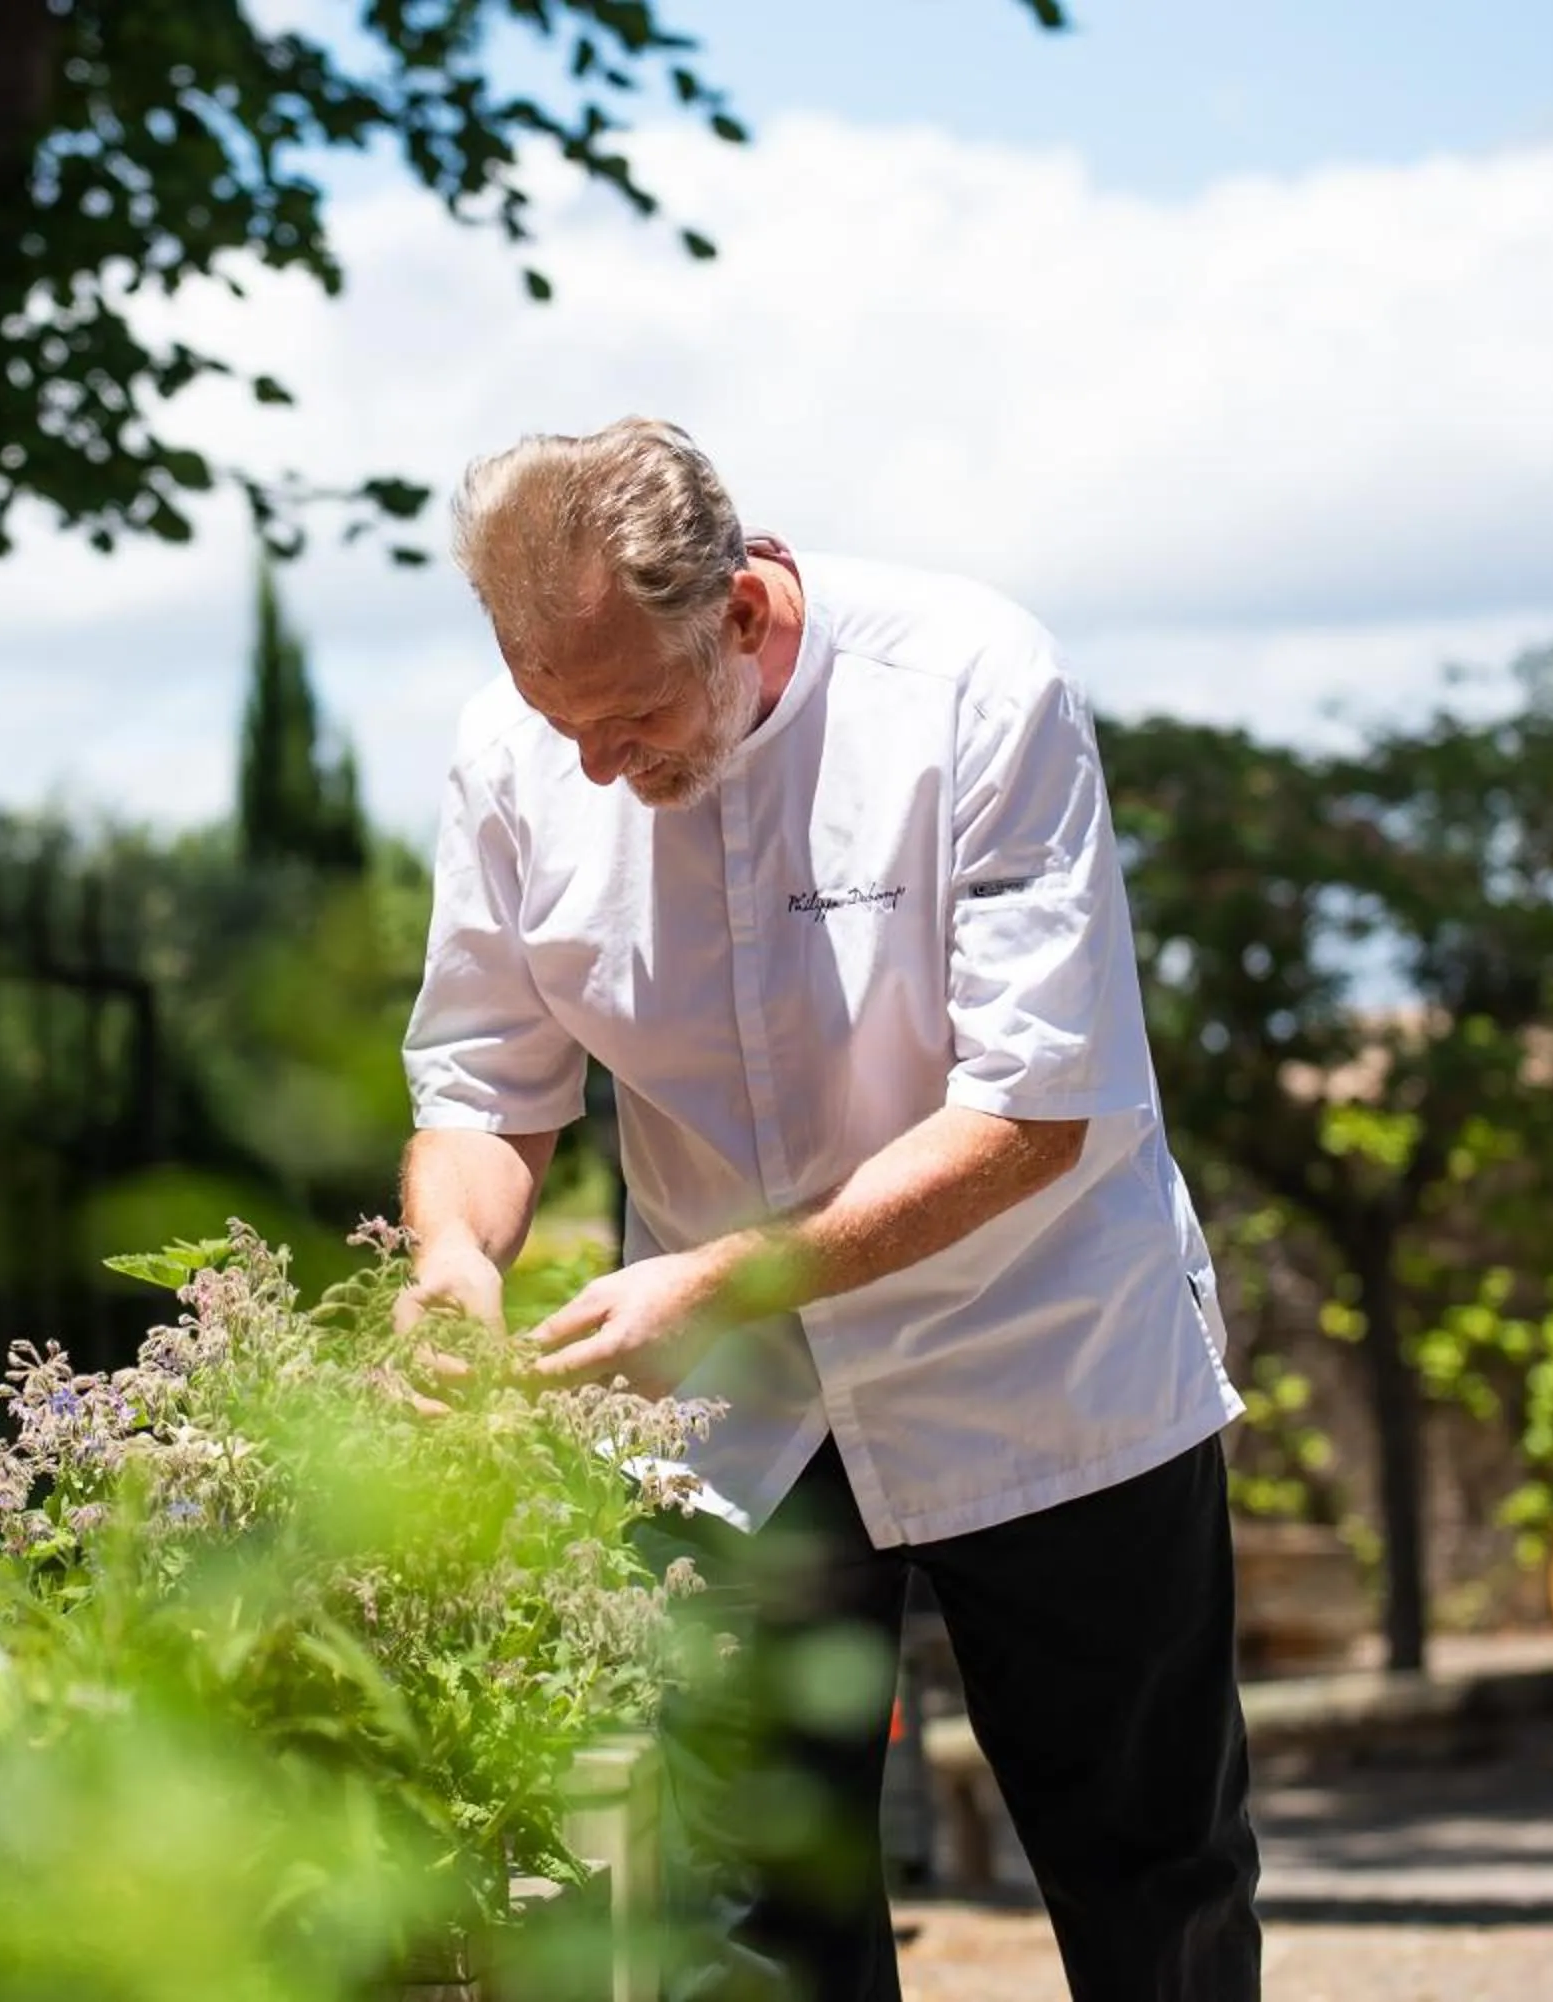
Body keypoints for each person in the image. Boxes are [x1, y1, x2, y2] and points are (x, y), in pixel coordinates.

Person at [393, 417, 1261, 2001]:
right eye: (554, 716)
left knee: (1152, 1887)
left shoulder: (975, 686)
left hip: (1049, 1353)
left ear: (738, 611)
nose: (593, 765)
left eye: (632, 716)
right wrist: (456, 1255)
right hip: (739, 1420)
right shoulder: (517, 753)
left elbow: (1032, 1111)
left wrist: (719, 1278)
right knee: (753, 1928)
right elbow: (482, 1084)